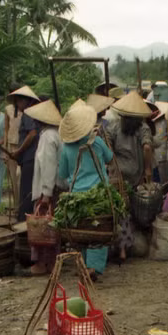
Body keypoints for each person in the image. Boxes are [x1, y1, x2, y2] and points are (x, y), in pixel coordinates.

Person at [59, 100, 114, 279]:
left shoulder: (67, 148)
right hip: (99, 194)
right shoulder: (96, 142)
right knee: (99, 230)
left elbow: (63, 173)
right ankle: (93, 268)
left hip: (77, 196)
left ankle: (83, 265)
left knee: (81, 232)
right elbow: (110, 159)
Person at [105, 90, 154, 259]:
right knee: (133, 209)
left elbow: (107, 143)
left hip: (117, 174)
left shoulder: (115, 126)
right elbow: (147, 147)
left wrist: (112, 162)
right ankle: (128, 246)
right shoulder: (143, 128)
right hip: (135, 174)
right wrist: (147, 169)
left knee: (119, 210)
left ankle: (120, 248)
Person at [23, 99, 64, 275]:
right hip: (55, 187)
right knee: (51, 227)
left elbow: (49, 166)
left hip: (49, 189)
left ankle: (43, 264)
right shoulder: (55, 134)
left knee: (43, 228)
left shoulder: (48, 137)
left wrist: (46, 193)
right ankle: (51, 262)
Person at [8, 85, 40, 222]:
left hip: (30, 158)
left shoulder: (28, 113)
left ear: (24, 101)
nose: (17, 105)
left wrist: (19, 151)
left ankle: (24, 222)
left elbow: (32, 133)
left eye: (18, 101)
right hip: (31, 158)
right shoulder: (33, 113)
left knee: (26, 193)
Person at [4, 84, 23, 204]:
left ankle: (22, 204)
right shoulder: (8, 109)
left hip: (22, 146)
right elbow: (5, 129)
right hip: (11, 146)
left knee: (19, 175)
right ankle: (17, 206)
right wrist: (4, 150)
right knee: (13, 179)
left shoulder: (25, 109)